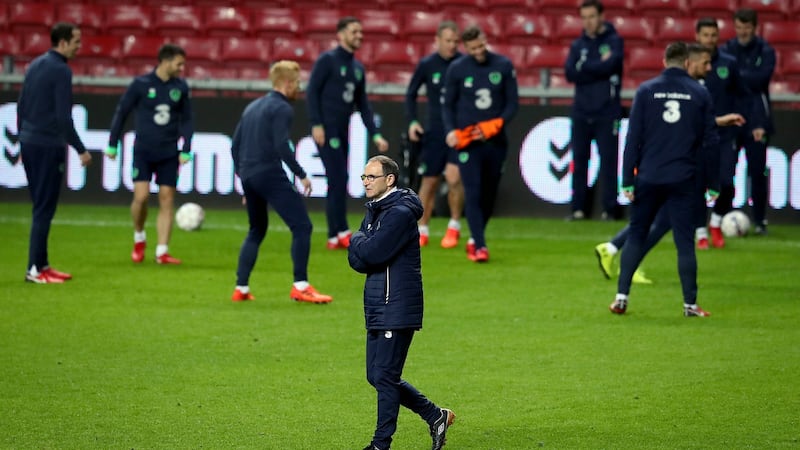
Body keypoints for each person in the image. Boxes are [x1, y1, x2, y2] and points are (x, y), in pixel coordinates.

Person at [348, 155, 455, 450]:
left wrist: (358, 239)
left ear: (389, 179)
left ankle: (381, 444)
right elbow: (357, 260)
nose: (366, 182)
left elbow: (369, 253)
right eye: (364, 177)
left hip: (396, 304)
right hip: (378, 301)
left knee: (384, 375)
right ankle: (436, 416)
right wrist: (362, 243)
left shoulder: (398, 214)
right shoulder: (376, 208)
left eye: (371, 177)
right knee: (377, 375)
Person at [609, 42, 720, 318]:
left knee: (636, 234)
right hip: (683, 179)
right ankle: (689, 305)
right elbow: (710, 143)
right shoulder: (700, 93)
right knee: (684, 241)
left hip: (648, 176)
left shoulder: (646, 90)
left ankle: (621, 298)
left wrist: (627, 180)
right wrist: (714, 182)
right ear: (686, 63)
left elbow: (632, 138)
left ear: (663, 61)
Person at [229, 61, 333, 304]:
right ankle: (301, 285)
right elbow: (281, 146)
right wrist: (301, 174)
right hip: (269, 173)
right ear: (286, 83)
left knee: (256, 229)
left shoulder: (252, 107)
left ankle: (241, 287)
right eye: (297, 83)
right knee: (302, 226)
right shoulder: (282, 109)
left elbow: (235, 146)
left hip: (249, 174)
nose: (299, 87)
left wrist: (243, 179)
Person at [17, 22, 92, 283]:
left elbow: (21, 104)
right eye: (76, 42)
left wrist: (22, 136)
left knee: (41, 205)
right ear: (62, 42)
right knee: (44, 208)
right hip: (48, 145)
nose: (79, 47)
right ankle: (35, 270)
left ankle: (42, 264)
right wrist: (81, 149)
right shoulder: (61, 70)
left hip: (29, 140)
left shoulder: (36, 64)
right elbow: (63, 117)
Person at [306, 16, 389, 251]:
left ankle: (334, 235)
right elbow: (312, 92)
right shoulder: (327, 61)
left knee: (338, 180)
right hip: (327, 129)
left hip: (343, 130)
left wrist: (375, 134)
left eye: (360, 32)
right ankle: (340, 231)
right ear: (340, 34)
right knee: (338, 177)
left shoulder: (357, 68)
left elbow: (363, 105)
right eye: (354, 32)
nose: (359, 36)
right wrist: (316, 123)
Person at [105, 44, 193, 265]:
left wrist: (187, 148)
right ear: (165, 61)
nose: (182, 68)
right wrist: (113, 144)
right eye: (179, 63)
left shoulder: (181, 87)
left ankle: (162, 251)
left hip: (169, 152)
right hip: (143, 150)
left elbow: (188, 120)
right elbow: (121, 112)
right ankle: (139, 236)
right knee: (141, 197)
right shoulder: (140, 84)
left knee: (167, 199)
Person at [442, 25, 519, 263]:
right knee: (473, 192)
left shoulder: (503, 65)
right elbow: (447, 105)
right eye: (473, 48)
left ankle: (475, 237)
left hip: (495, 142)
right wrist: (451, 131)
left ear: (486, 40)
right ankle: (480, 246)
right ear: (466, 48)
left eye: (481, 46)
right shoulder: (457, 68)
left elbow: (512, 103)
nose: (478, 51)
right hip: (468, 142)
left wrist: (497, 124)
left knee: (489, 194)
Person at [405, 20, 465, 248]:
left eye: (455, 41)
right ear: (437, 41)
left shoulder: (463, 63)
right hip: (434, 130)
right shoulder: (427, 65)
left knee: (453, 177)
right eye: (448, 41)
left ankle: (454, 225)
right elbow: (410, 94)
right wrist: (412, 122)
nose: (452, 45)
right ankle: (422, 229)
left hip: (458, 131)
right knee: (429, 181)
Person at [694, 17, 753, 249]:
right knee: (698, 185)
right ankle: (700, 232)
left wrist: (740, 118)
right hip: (697, 136)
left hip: (725, 134)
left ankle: (716, 222)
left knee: (727, 183)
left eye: (713, 35)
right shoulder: (690, 64)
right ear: (697, 36)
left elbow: (744, 94)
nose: (710, 39)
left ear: (719, 37)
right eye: (705, 35)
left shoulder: (728, 63)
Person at [564, 0, 624, 221]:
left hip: (607, 111)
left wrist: (585, 66)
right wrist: (598, 65)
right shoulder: (577, 45)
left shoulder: (615, 41)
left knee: (609, 162)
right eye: (584, 17)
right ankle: (578, 209)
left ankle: (610, 209)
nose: (588, 22)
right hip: (581, 110)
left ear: (601, 16)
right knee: (579, 161)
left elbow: (612, 65)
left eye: (592, 16)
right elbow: (570, 73)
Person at [721, 8, 776, 236]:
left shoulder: (766, 50)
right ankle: (722, 216)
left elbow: (761, 79)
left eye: (747, 27)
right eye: (739, 27)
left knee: (757, 172)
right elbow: (725, 80)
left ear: (755, 27)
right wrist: (745, 76)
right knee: (726, 172)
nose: (743, 31)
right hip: (732, 119)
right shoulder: (726, 49)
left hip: (756, 120)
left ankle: (760, 220)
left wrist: (737, 76)